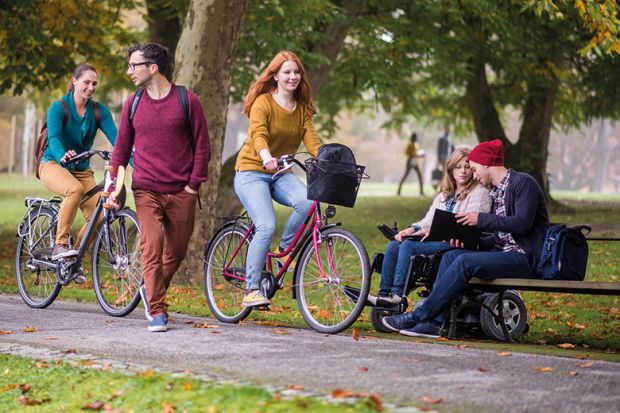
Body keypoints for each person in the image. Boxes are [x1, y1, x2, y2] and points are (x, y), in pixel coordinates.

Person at [382, 139, 550, 338]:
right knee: (452, 255)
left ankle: (419, 315)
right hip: (504, 252)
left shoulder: (523, 183)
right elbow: (499, 236)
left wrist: (481, 219)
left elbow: (522, 224)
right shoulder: (497, 191)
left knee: (463, 262)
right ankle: (434, 325)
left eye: (475, 168)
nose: (474, 174)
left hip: (526, 258)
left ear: (487, 164)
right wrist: (471, 242)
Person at [108, 43, 210, 332]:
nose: (129, 71)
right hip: (146, 189)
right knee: (151, 246)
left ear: (153, 67)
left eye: (133, 66)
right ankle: (157, 310)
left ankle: (150, 290)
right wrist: (115, 187)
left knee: (176, 252)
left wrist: (193, 185)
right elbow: (121, 150)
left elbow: (203, 146)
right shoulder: (133, 103)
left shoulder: (187, 101)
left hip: (182, 190)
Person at [234, 50, 322, 308]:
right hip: (252, 171)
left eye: (296, 72)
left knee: (308, 201)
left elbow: (313, 142)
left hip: (280, 173)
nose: (293, 77)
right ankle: (252, 289)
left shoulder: (302, 108)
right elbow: (258, 133)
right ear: (275, 76)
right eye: (287, 72)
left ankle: (284, 253)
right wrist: (265, 155)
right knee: (266, 225)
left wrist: (330, 160)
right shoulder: (264, 102)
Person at [370, 147, 492, 306]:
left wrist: (433, 231)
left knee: (408, 246)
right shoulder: (445, 195)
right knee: (394, 245)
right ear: (451, 169)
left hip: (458, 241)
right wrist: (412, 229)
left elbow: (470, 224)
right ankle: (384, 295)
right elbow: (427, 220)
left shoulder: (479, 193)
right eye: (458, 167)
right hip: (438, 238)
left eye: (467, 167)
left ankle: (397, 295)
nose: (463, 171)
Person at [39, 64, 119, 283]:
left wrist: (137, 162)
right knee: (73, 190)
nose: (91, 87)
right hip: (53, 164)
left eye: (94, 84)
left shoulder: (98, 111)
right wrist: (63, 155)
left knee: (100, 216)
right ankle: (60, 244)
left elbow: (118, 141)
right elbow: (54, 137)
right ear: (74, 81)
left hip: (82, 170)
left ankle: (73, 261)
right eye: (86, 82)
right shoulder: (59, 107)